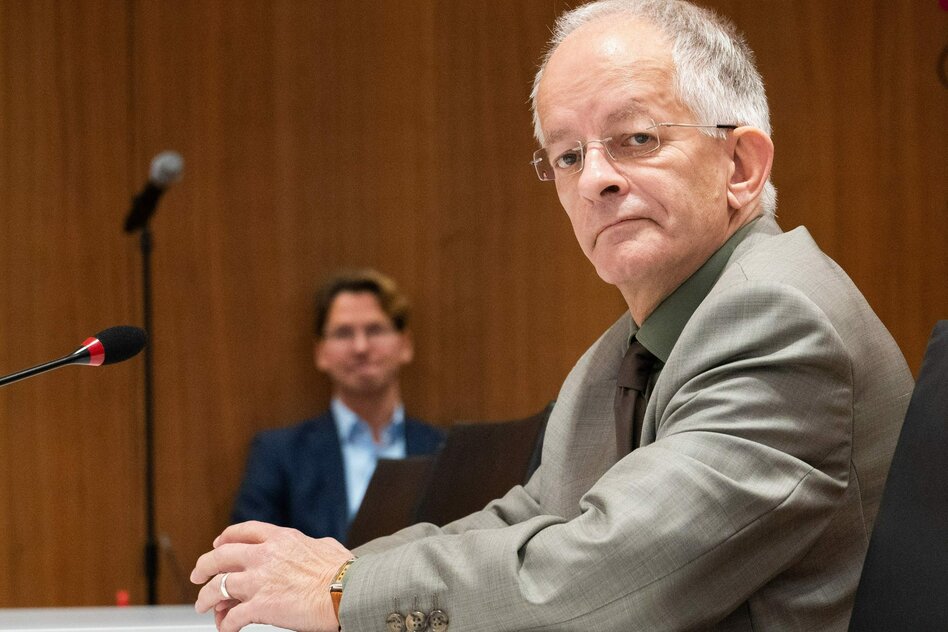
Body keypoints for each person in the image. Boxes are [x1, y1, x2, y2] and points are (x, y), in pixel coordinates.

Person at [192, 1, 914, 630]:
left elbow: (603, 577)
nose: (594, 179)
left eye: (637, 138)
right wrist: (332, 573)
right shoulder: (623, 351)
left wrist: (343, 592)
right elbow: (531, 517)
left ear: (741, 166)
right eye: (567, 156)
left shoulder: (779, 319)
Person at [230, 268, 444, 544]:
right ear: (320, 352)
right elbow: (246, 552)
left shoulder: (445, 451)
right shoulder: (278, 455)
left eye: (375, 330)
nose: (360, 347)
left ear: (405, 344)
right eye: (343, 333)